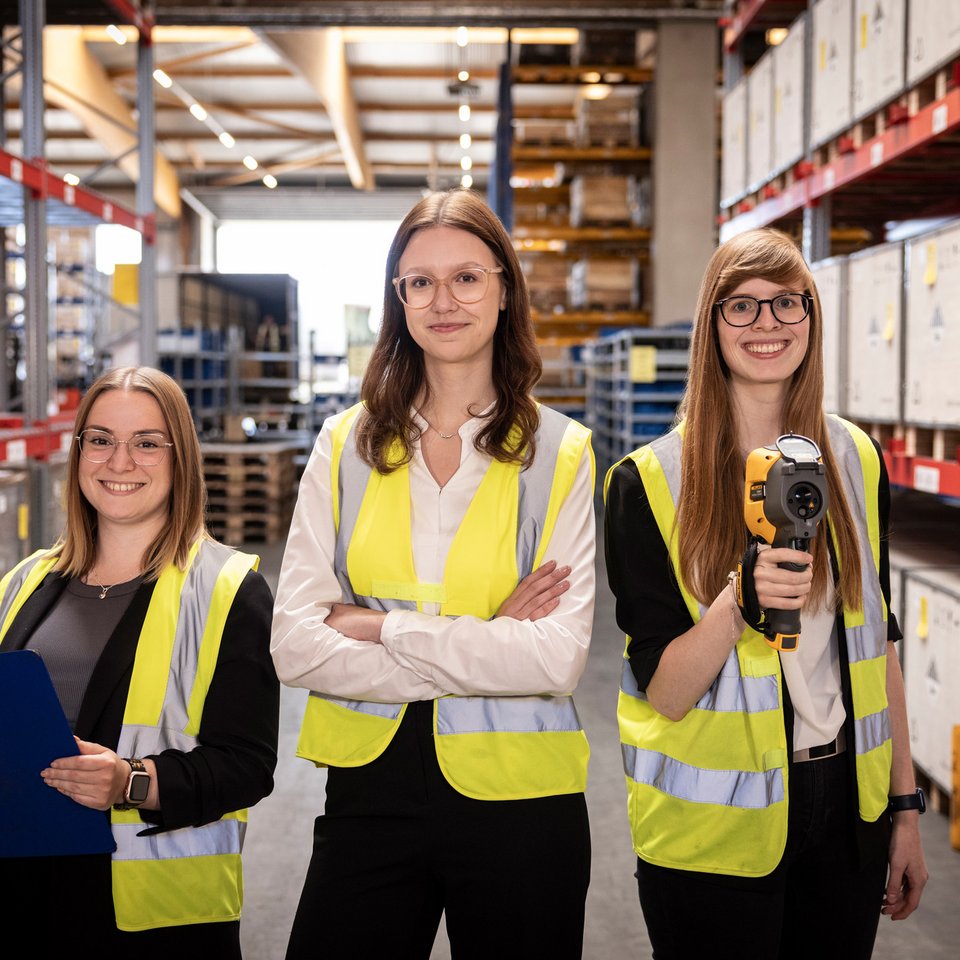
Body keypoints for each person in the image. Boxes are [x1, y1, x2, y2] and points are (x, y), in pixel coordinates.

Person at [271, 189, 596, 959]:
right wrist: (486, 644)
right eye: (419, 281)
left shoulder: (562, 452)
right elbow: (294, 645)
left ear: (504, 288)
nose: (442, 300)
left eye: (466, 278)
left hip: (525, 800)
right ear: (399, 298)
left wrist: (381, 625)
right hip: (369, 793)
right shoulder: (344, 444)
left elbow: (557, 659)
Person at [604, 228, 928, 960]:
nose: (768, 324)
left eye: (788, 303)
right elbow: (665, 692)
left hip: (847, 809)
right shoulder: (646, 482)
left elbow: (880, 645)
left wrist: (903, 812)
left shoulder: (854, 458)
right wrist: (737, 600)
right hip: (715, 832)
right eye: (741, 306)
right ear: (710, 325)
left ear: (812, 317)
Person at [0, 367, 279, 957]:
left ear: (181, 460)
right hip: (19, 890)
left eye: (147, 443)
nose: (118, 462)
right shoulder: (25, 582)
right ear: (78, 454)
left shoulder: (228, 589)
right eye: (99, 440)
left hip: (147, 917)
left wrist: (130, 781)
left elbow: (247, 766)